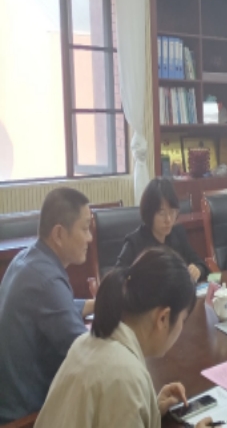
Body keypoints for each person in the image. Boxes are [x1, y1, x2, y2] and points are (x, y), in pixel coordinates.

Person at [36, 248, 211, 428]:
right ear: (163, 319)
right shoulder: (125, 376)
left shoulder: (85, 342)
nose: (181, 327)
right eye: (183, 320)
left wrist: (149, 408)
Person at [0, 188, 95, 423]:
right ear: (59, 234)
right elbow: (87, 356)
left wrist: (95, 304)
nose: (90, 238)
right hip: (25, 418)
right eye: (85, 229)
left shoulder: (26, 259)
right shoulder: (47, 281)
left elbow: (59, 308)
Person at [115, 177, 207, 282]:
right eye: (162, 213)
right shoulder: (134, 242)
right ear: (149, 213)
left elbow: (200, 263)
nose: (168, 220)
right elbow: (116, 278)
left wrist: (198, 270)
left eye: (172, 212)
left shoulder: (178, 233)